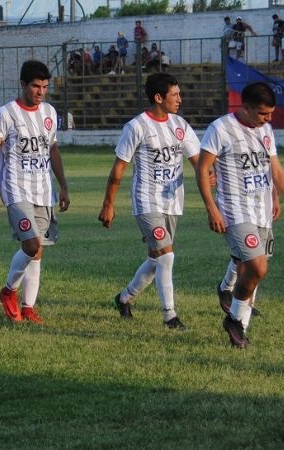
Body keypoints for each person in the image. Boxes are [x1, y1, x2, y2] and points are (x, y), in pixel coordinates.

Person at [196, 81, 284, 349]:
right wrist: (211, 208)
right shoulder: (220, 129)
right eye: (263, 113)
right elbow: (203, 170)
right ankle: (234, 320)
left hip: (262, 211)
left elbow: (275, 170)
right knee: (258, 267)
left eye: (270, 113)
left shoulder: (266, 130)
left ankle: (233, 309)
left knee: (250, 268)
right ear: (245, 107)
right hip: (235, 210)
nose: (268, 118)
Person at [98, 72, 202, 331]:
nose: (180, 99)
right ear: (159, 97)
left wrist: (211, 177)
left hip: (173, 203)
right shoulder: (136, 127)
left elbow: (199, 161)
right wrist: (108, 205)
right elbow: (118, 170)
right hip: (147, 202)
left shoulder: (180, 125)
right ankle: (170, 316)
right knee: (166, 256)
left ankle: (124, 298)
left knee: (157, 260)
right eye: (174, 94)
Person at [0, 60, 70, 324]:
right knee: (31, 244)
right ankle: (9, 291)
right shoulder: (6, 114)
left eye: (44, 87)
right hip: (15, 189)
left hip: (43, 191)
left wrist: (63, 185)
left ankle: (28, 307)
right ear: (22, 84)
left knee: (38, 250)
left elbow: (52, 149)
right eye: (35, 86)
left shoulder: (48, 113)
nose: (40, 92)